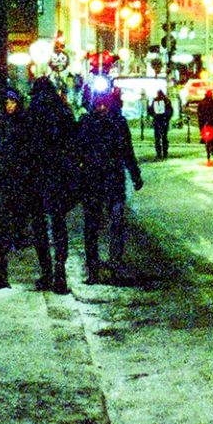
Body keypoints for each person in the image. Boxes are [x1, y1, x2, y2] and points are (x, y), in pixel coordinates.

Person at [75, 88, 144, 283]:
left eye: (104, 104)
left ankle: (107, 264)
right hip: (99, 182)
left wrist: (135, 174)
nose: (102, 108)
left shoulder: (100, 123)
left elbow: (127, 151)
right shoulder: (99, 124)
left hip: (105, 182)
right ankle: (99, 265)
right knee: (101, 225)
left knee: (108, 224)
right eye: (99, 104)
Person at [18, 75, 77, 292]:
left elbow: (23, 147)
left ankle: (46, 272)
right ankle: (60, 269)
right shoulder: (63, 113)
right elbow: (73, 145)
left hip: (36, 176)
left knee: (39, 225)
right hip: (58, 176)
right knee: (58, 224)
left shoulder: (31, 114)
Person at [196, 87, 213, 164]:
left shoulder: (202, 103)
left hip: (204, 122)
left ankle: (204, 141)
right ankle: (212, 148)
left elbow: (199, 113)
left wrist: (201, 123)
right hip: (211, 122)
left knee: (204, 135)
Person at [148, 84, 174, 160]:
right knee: (163, 137)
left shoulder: (156, 100)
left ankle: (159, 153)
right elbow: (170, 111)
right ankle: (164, 152)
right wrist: (166, 118)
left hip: (158, 121)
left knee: (158, 138)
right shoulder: (166, 100)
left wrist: (154, 116)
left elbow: (150, 110)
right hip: (163, 121)